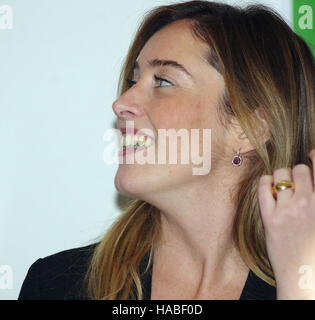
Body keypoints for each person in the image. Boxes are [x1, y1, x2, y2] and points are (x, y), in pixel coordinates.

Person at [19, 0, 315, 300]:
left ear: (249, 127)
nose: (121, 103)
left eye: (162, 81)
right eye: (133, 81)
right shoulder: (57, 285)